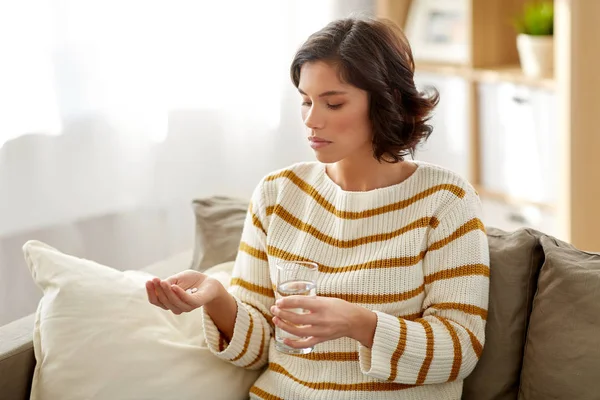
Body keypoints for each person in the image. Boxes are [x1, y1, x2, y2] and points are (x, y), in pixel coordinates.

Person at [146, 16, 489, 400]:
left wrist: (359, 323)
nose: (311, 119)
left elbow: (460, 351)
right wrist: (218, 297)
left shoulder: (446, 200)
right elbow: (257, 350)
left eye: (333, 103)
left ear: (385, 101)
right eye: (306, 101)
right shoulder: (277, 195)